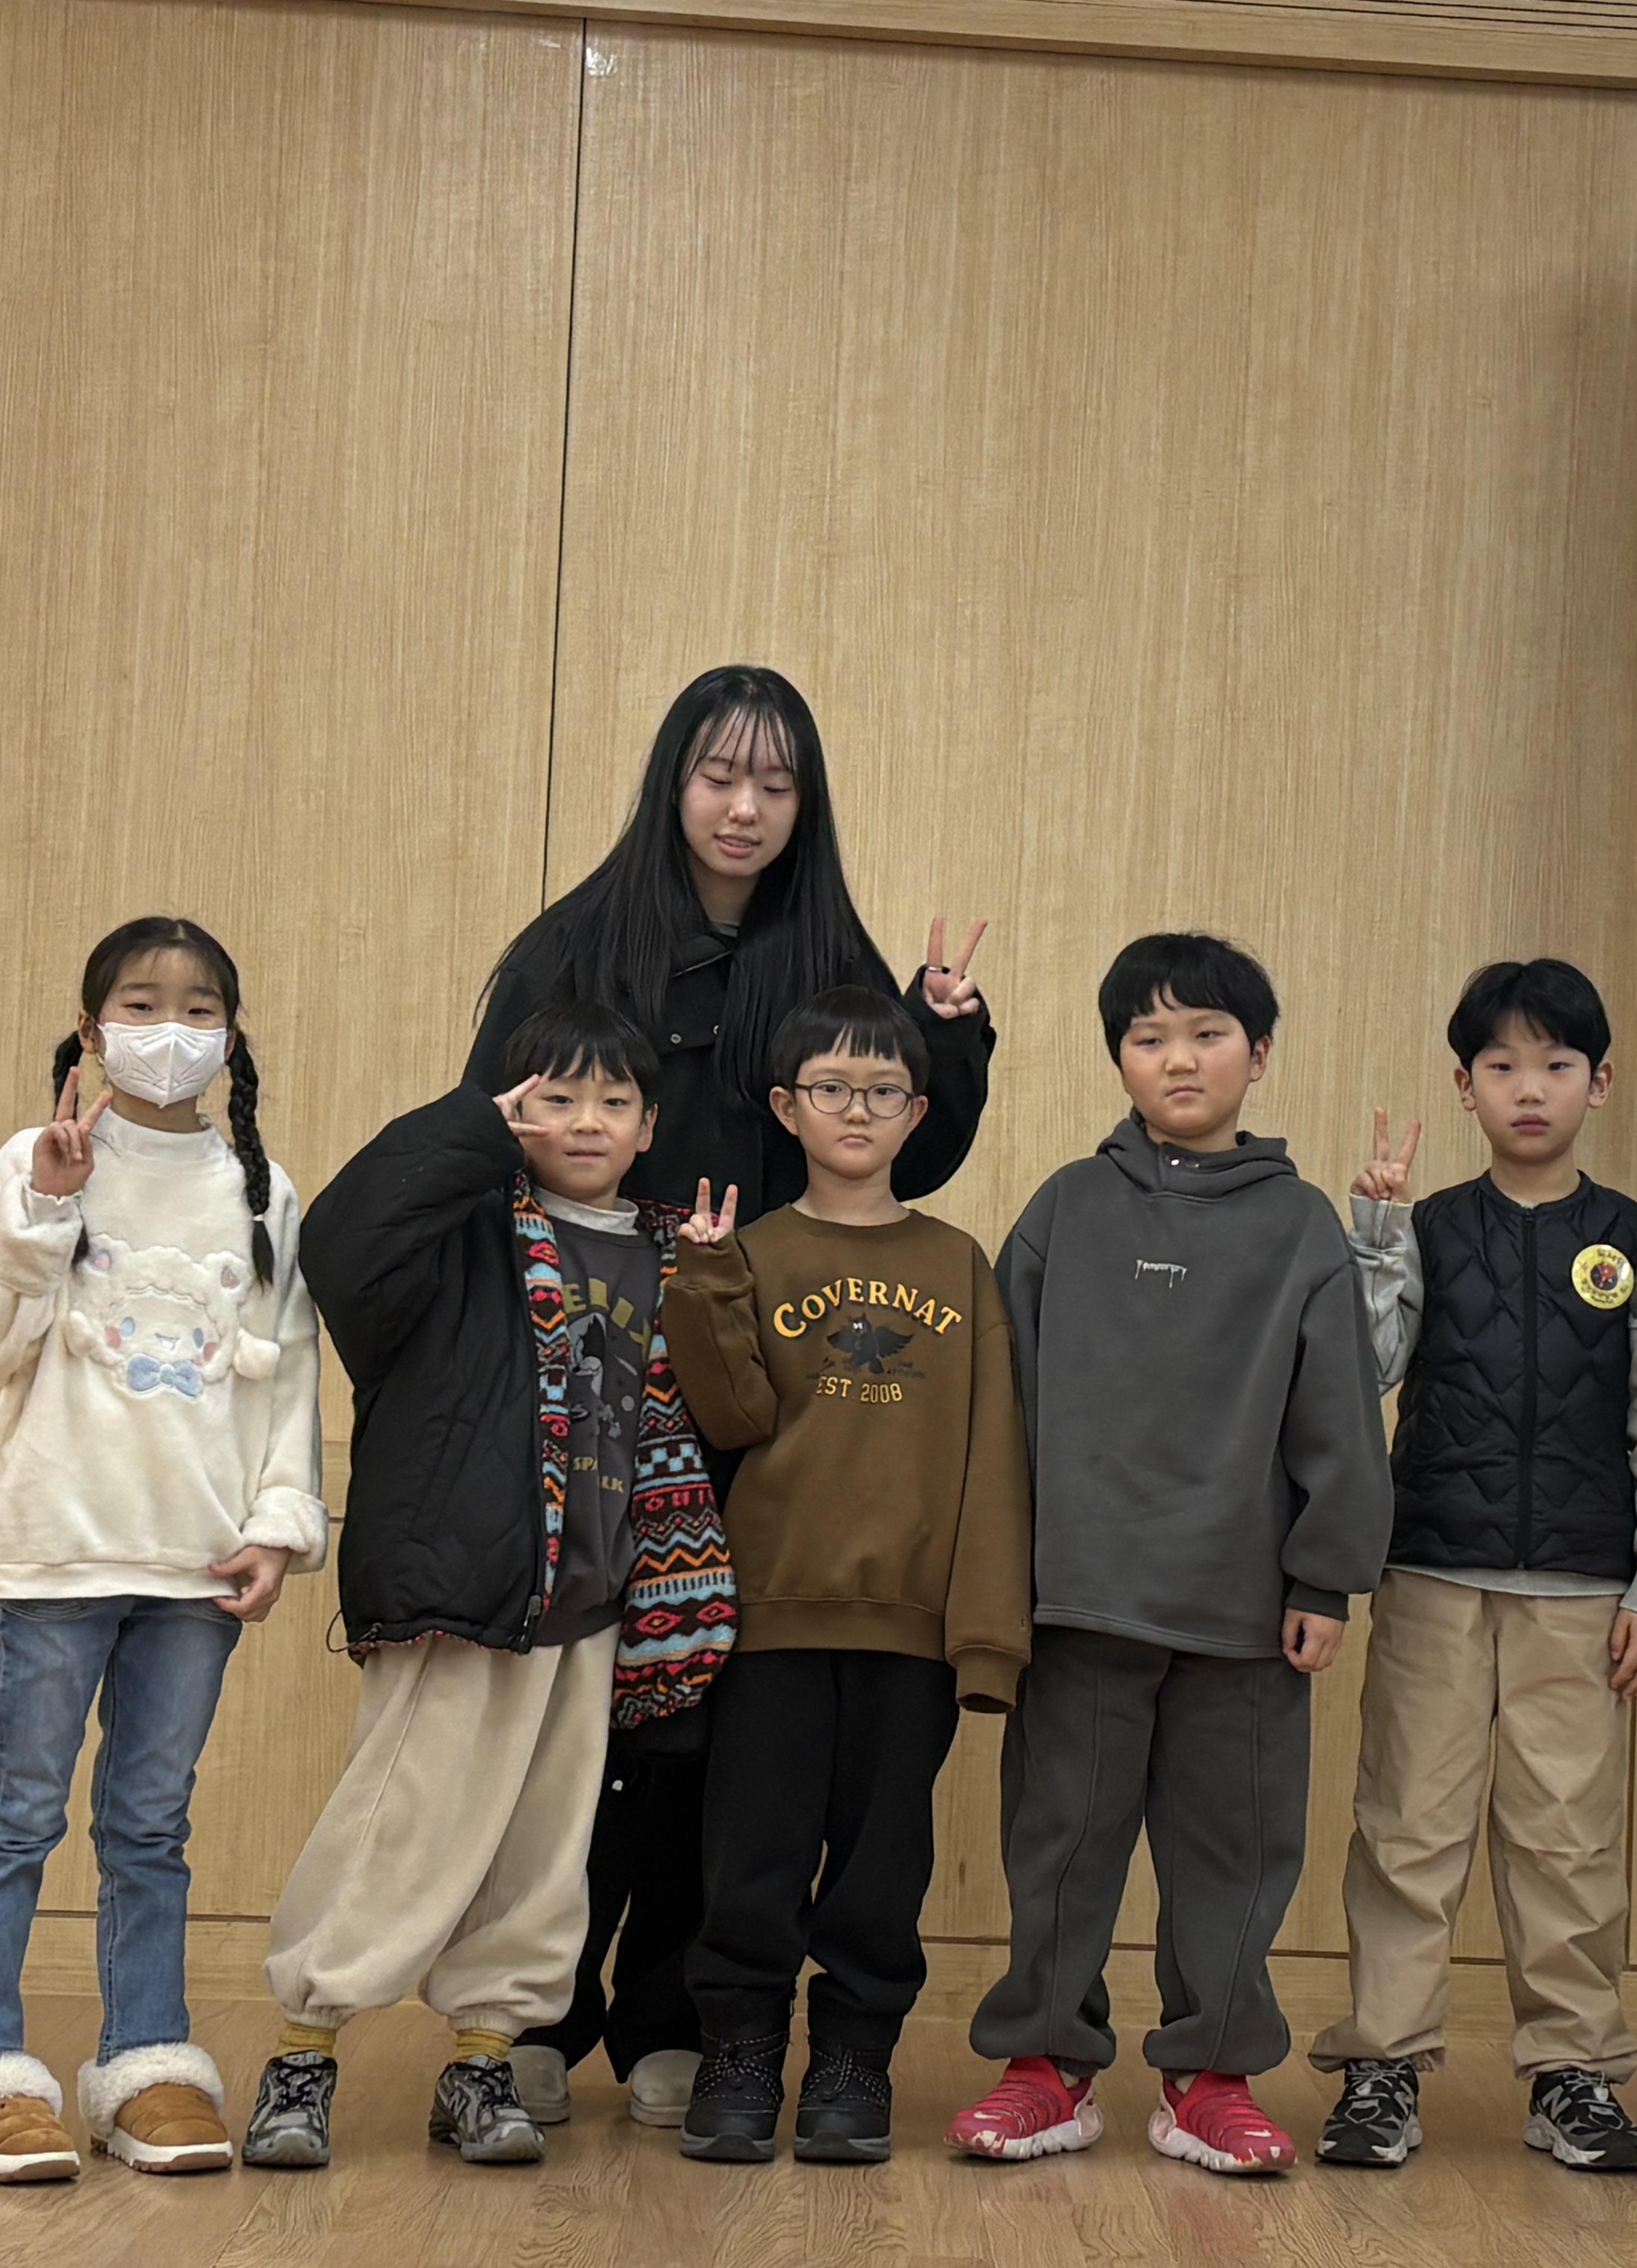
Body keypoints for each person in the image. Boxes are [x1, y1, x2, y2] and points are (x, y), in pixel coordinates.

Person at [466, 663, 995, 2129]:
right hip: (585, 1367)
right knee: (574, 1710)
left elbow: (895, 1149)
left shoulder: (830, 948)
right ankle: (530, 2011)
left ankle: (671, 2019)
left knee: (707, 1721)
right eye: (720, 775)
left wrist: (950, 1036)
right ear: (674, 782)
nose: (746, 807)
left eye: (776, 781)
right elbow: (495, 1134)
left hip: (755, 1376)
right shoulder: (573, 945)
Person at [242, 1001, 734, 2170]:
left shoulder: (677, 1248)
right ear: (512, 1112)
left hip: (599, 1604)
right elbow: (343, 1244)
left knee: (543, 1857)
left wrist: (715, 1281)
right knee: (399, 1826)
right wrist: (465, 1129)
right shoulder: (466, 1230)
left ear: (649, 1126)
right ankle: (302, 2054)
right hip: (466, 1594)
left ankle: (480, 2063)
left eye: (613, 1101)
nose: (587, 1121)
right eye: (556, 1098)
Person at [950, 933, 1392, 2177]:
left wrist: (1323, 1576)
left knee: (1236, 1856)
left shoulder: (1302, 1228)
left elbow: (1340, 1416)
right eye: (1149, 1038)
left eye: (1207, 1034)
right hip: (1079, 1600)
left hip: (1245, 1614)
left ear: (1260, 1054)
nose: (1180, 1059)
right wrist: (1001, 1582)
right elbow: (1000, 1407)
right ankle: (1045, 2067)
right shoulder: (1066, 1209)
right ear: (1119, 1061)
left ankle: (1212, 2078)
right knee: (1060, 1844)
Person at [0, 916, 323, 2185]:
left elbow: (288, 1376)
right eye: (140, 1006)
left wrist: (278, 1522)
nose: (168, 1030)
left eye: (197, 1009)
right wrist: (45, 1205)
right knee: (15, 1813)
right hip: (55, 1549)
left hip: (194, 1563)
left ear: (231, 1038)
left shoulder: (263, 1191)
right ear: (92, 1031)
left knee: (150, 1823)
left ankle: (145, 2061)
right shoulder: (40, 1163)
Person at [1312, 959, 1637, 2176]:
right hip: (1434, 1570)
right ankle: (1383, 2064)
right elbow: (1367, 1372)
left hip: (1584, 1591)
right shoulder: (1428, 1228)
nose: (1530, 1089)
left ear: (1602, 1083)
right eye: (1502, 1066)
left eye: (1556, 1065)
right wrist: (1375, 1237)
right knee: (1406, 1827)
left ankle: (1573, 2073)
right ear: (1464, 1085)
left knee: (1570, 1842)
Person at [659, 986, 1033, 2166]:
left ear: (919, 1112)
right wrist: (704, 1283)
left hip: (910, 1630)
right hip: (768, 1618)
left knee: (883, 1866)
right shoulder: (753, 1250)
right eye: (832, 1088)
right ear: (788, 1107)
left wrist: (985, 1636)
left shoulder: (958, 1264)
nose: (857, 1109)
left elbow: (993, 1455)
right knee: (752, 1854)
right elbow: (732, 1416)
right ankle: (738, 2053)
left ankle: (854, 2061)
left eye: (883, 1091)